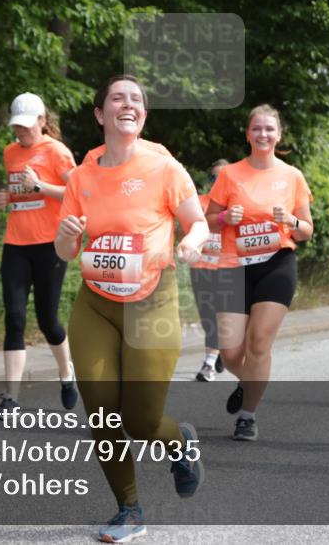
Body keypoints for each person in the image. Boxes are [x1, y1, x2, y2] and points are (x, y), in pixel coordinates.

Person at [54, 75, 208, 543]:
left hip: (152, 301)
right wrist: (66, 235)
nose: (128, 104)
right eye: (117, 98)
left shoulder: (164, 168)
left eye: (136, 99)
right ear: (101, 115)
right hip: (95, 305)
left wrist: (192, 245)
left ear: (143, 115)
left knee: (141, 421)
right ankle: (129, 509)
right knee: (101, 415)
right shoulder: (81, 177)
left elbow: (196, 222)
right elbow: (65, 250)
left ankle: (179, 443)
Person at [206, 104, 314, 442]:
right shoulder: (230, 175)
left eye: (269, 129)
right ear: (247, 133)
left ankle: (248, 415)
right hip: (233, 266)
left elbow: (306, 230)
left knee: (259, 342)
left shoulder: (292, 175)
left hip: (276, 264)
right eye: (257, 129)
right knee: (230, 352)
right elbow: (207, 220)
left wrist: (291, 221)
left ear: (278, 134)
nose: (263, 134)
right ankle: (247, 379)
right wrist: (225, 220)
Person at [0, 93, 78, 415]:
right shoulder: (10, 152)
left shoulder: (57, 152)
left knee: (47, 320)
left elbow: (77, 191)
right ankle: (10, 398)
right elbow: (19, 193)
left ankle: (66, 374)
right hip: (15, 244)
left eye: (27, 127)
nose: (21, 133)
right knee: (14, 318)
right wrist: (7, 198)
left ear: (42, 121)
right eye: (17, 127)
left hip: (49, 245)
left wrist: (40, 186)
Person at [191, 159, 230, 382]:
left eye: (223, 177)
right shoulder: (198, 202)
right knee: (207, 317)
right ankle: (219, 352)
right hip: (201, 268)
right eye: (214, 177)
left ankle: (208, 364)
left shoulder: (238, 206)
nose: (218, 182)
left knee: (221, 317)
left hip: (227, 269)